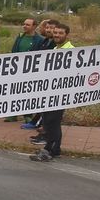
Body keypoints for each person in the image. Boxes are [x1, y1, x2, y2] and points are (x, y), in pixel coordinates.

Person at [31, 23, 74, 162]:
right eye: (55, 33)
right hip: (49, 91)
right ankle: (53, 149)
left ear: (66, 34)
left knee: (53, 122)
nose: (57, 35)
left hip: (60, 93)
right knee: (49, 122)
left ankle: (51, 150)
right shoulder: (55, 48)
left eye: (60, 33)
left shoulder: (71, 50)